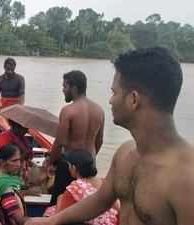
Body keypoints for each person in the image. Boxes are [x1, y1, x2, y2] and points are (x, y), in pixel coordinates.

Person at [26, 47, 194, 225]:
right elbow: (101, 199)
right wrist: (52, 221)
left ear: (133, 99)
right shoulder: (125, 154)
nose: (110, 100)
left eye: (114, 92)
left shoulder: (186, 178)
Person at [48, 70, 105, 204]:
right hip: (90, 165)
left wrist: (50, 163)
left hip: (69, 166)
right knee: (86, 205)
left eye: (65, 86)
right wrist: (88, 160)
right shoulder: (99, 110)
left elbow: (59, 142)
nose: (63, 90)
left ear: (73, 88)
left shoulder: (68, 111)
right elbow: (99, 141)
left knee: (60, 204)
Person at [44, 151, 119, 225]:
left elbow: (59, 220)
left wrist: (59, 200)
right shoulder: (104, 183)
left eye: (69, 166)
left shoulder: (75, 188)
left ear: (73, 168)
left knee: (50, 212)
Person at [0, 144, 30, 225]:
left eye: (19, 160)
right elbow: (19, 220)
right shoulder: (4, 187)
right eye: (14, 161)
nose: (18, 164)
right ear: (2, 162)